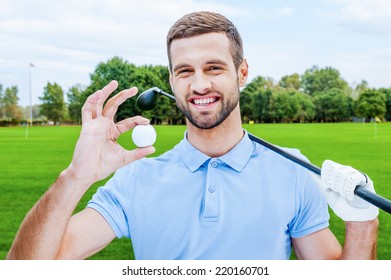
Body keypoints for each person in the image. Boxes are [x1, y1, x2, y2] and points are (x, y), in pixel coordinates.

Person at [7, 11, 378, 260]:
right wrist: (75, 177)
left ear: (242, 71)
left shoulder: (294, 170)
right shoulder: (134, 180)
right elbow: (28, 266)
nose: (199, 84)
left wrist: (362, 221)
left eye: (213, 67)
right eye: (184, 71)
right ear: (171, 81)